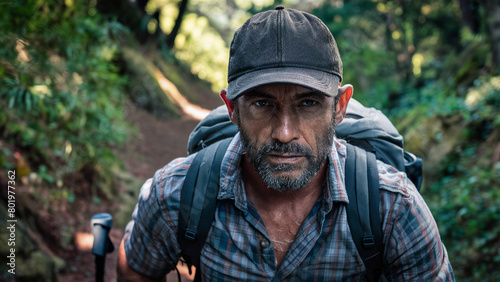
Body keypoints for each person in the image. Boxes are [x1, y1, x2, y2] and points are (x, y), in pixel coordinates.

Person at [117, 6, 454, 281]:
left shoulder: (394, 208)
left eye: (308, 103)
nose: (284, 133)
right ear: (232, 108)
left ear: (339, 106)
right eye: (262, 104)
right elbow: (134, 270)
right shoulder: (174, 194)